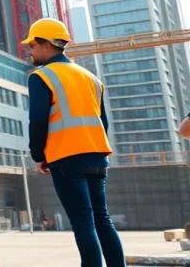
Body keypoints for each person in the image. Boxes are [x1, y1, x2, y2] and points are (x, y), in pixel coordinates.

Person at [25, 17, 124, 267]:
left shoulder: (42, 76)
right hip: (97, 155)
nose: (30, 51)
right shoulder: (90, 78)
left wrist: (38, 155)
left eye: (32, 45)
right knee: (102, 218)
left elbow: (38, 121)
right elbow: (103, 122)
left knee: (83, 221)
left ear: (47, 45)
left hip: (66, 157)